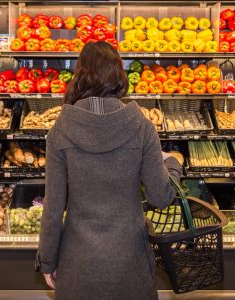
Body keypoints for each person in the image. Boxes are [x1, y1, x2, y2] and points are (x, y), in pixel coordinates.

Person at [37, 41, 183, 300]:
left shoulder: (59, 130)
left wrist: (47, 260)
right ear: (119, 74)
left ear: (79, 76)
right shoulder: (141, 127)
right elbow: (160, 197)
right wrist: (172, 164)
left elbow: (53, 207)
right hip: (130, 265)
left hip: (77, 266)